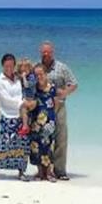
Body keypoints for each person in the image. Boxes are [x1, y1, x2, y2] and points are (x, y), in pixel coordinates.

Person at [39, 41, 78, 181]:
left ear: (52, 52)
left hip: (59, 106)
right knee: (44, 139)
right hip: (42, 109)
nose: (46, 54)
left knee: (61, 139)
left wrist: (64, 93)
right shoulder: (38, 68)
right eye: (44, 52)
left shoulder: (62, 67)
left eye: (48, 52)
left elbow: (74, 84)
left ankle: (60, 170)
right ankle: (44, 170)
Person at [0, 53, 31, 181]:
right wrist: (22, 103)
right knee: (3, 143)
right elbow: (5, 99)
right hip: (7, 115)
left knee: (21, 145)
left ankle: (21, 172)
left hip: (21, 115)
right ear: (2, 65)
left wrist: (27, 103)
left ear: (14, 66)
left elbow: (25, 91)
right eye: (6, 66)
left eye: (11, 65)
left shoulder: (18, 78)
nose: (9, 68)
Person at [29, 64, 58, 182]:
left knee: (49, 146)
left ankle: (49, 173)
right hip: (36, 122)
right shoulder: (33, 89)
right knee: (36, 147)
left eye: (41, 74)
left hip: (49, 122)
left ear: (46, 74)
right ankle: (40, 172)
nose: (39, 76)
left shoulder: (52, 88)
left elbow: (56, 105)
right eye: (36, 75)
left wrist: (51, 119)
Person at [17, 58, 37, 137]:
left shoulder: (32, 77)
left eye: (26, 67)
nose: (24, 70)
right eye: (22, 68)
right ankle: (25, 126)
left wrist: (24, 77)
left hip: (30, 98)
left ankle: (25, 126)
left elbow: (27, 85)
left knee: (23, 108)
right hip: (25, 98)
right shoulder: (22, 77)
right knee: (23, 111)